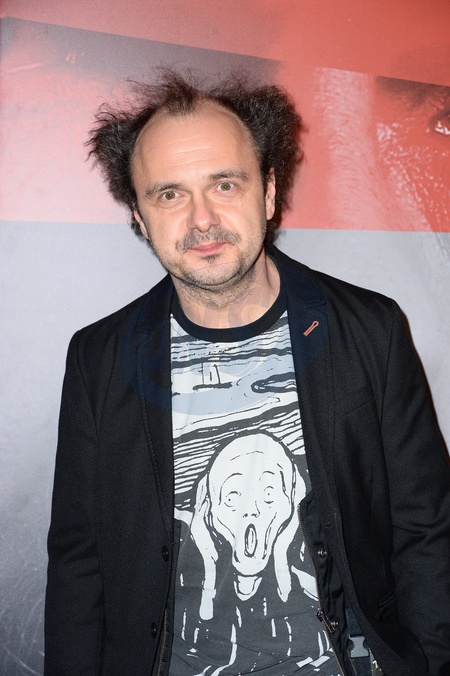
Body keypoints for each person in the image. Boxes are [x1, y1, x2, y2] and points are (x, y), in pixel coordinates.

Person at [44, 70, 450, 676]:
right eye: (169, 194)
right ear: (139, 215)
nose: (202, 219)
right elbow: (80, 563)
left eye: (225, 184)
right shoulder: (97, 359)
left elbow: (426, 531)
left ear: (268, 192)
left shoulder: (371, 330)